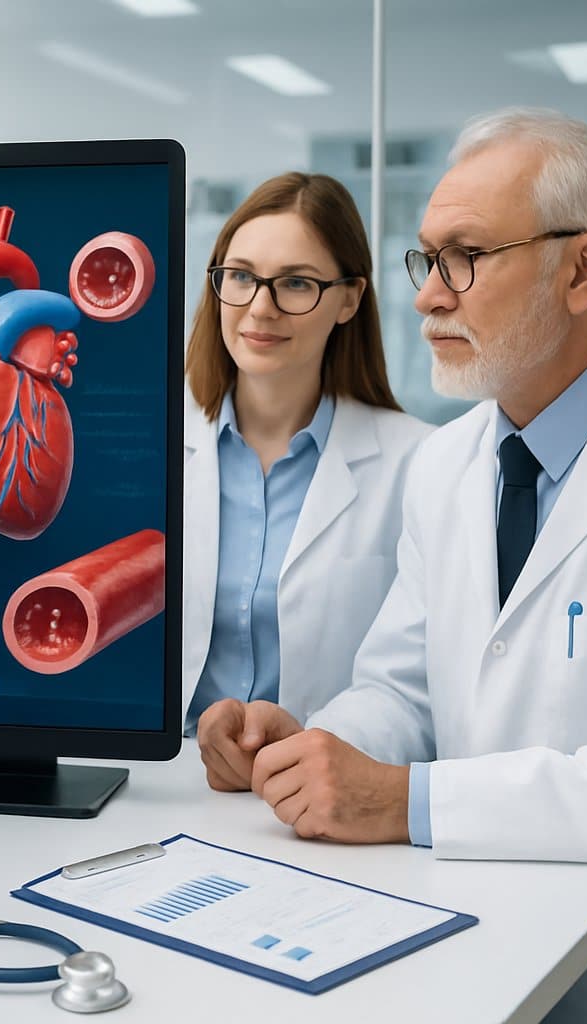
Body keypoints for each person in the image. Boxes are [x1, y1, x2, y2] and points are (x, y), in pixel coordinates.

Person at [198, 108, 587, 1022]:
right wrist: (311, 745)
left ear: (583, 269)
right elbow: (403, 692)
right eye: (426, 259)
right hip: (467, 906)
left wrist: (405, 801)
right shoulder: (447, 465)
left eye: (466, 259)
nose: (429, 296)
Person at [184, 172, 429, 782]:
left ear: (349, 299)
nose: (260, 307)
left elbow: (417, 681)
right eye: (239, 277)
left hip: (322, 791)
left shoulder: (422, 463)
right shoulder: (154, 443)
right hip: (170, 785)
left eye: (296, 283)